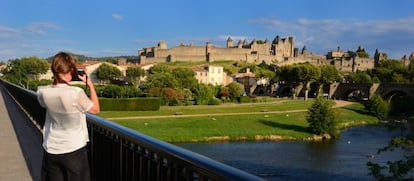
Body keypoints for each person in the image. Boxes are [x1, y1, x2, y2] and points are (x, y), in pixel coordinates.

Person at [37, 52, 100, 181]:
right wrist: (90, 85)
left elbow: (47, 104)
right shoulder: (76, 93)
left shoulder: (42, 91)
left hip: (51, 148)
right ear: (70, 71)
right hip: (73, 149)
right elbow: (95, 109)